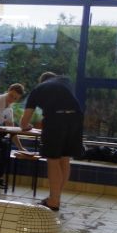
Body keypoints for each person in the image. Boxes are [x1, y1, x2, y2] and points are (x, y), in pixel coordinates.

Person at [19, 72, 84, 211]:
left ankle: (54, 201)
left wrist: (27, 126)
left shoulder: (38, 89)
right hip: (76, 118)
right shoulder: (65, 80)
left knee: (53, 160)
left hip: (55, 119)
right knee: (65, 159)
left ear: (41, 81)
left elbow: (24, 122)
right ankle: (56, 197)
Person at [0, 83, 26, 189]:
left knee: (5, 145)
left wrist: (20, 147)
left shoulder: (9, 110)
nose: (12, 99)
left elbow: (12, 130)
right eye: (11, 95)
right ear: (8, 90)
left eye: (15, 98)